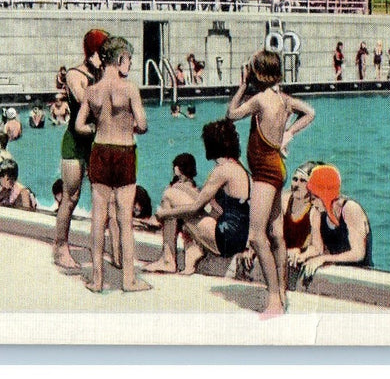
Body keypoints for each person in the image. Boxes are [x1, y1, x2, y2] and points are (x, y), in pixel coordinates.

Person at [226, 50, 315, 317]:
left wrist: (242, 85)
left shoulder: (259, 99)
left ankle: (274, 299)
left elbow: (231, 114)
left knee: (256, 236)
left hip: (264, 172)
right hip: (277, 168)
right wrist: (289, 133)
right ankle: (283, 293)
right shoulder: (284, 100)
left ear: (258, 73)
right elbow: (310, 112)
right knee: (276, 234)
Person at [76, 36, 151, 293]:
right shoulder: (129, 89)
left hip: (100, 149)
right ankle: (129, 280)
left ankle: (97, 280)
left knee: (98, 218)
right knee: (124, 220)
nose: (130, 64)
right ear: (120, 59)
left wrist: (97, 127)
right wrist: (130, 126)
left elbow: (79, 125)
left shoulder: (92, 91)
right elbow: (143, 124)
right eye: (129, 59)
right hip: (124, 150)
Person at [144, 122, 252, 275]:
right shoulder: (239, 168)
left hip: (225, 238)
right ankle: (193, 251)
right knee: (182, 208)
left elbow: (196, 207)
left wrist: (162, 214)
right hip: (238, 238)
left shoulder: (221, 170)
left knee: (169, 196)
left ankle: (168, 260)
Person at [52, 28, 109, 270]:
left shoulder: (104, 74)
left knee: (105, 196)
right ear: (94, 51)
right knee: (71, 197)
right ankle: (60, 247)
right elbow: (87, 101)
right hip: (75, 141)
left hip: (97, 140)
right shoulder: (75, 75)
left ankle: (104, 247)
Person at [295, 165, 373, 282]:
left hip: (360, 275)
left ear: (325, 195)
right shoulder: (317, 212)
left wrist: (324, 259)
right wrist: (302, 255)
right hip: (336, 273)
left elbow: (358, 253)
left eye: (315, 197)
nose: (312, 202)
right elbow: (317, 248)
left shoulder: (350, 209)